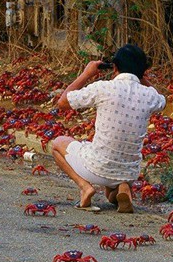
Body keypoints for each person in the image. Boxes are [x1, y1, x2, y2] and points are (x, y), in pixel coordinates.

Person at [52, 45, 166, 213]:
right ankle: (123, 188)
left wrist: (87, 73)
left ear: (115, 67)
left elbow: (62, 103)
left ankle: (85, 188)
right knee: (110, 192)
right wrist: (141, 78)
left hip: (97, 168)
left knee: (58, 143)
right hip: (129, 172)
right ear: (143, 71)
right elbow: (162, 100)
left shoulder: (103, 88)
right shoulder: (150, 95)